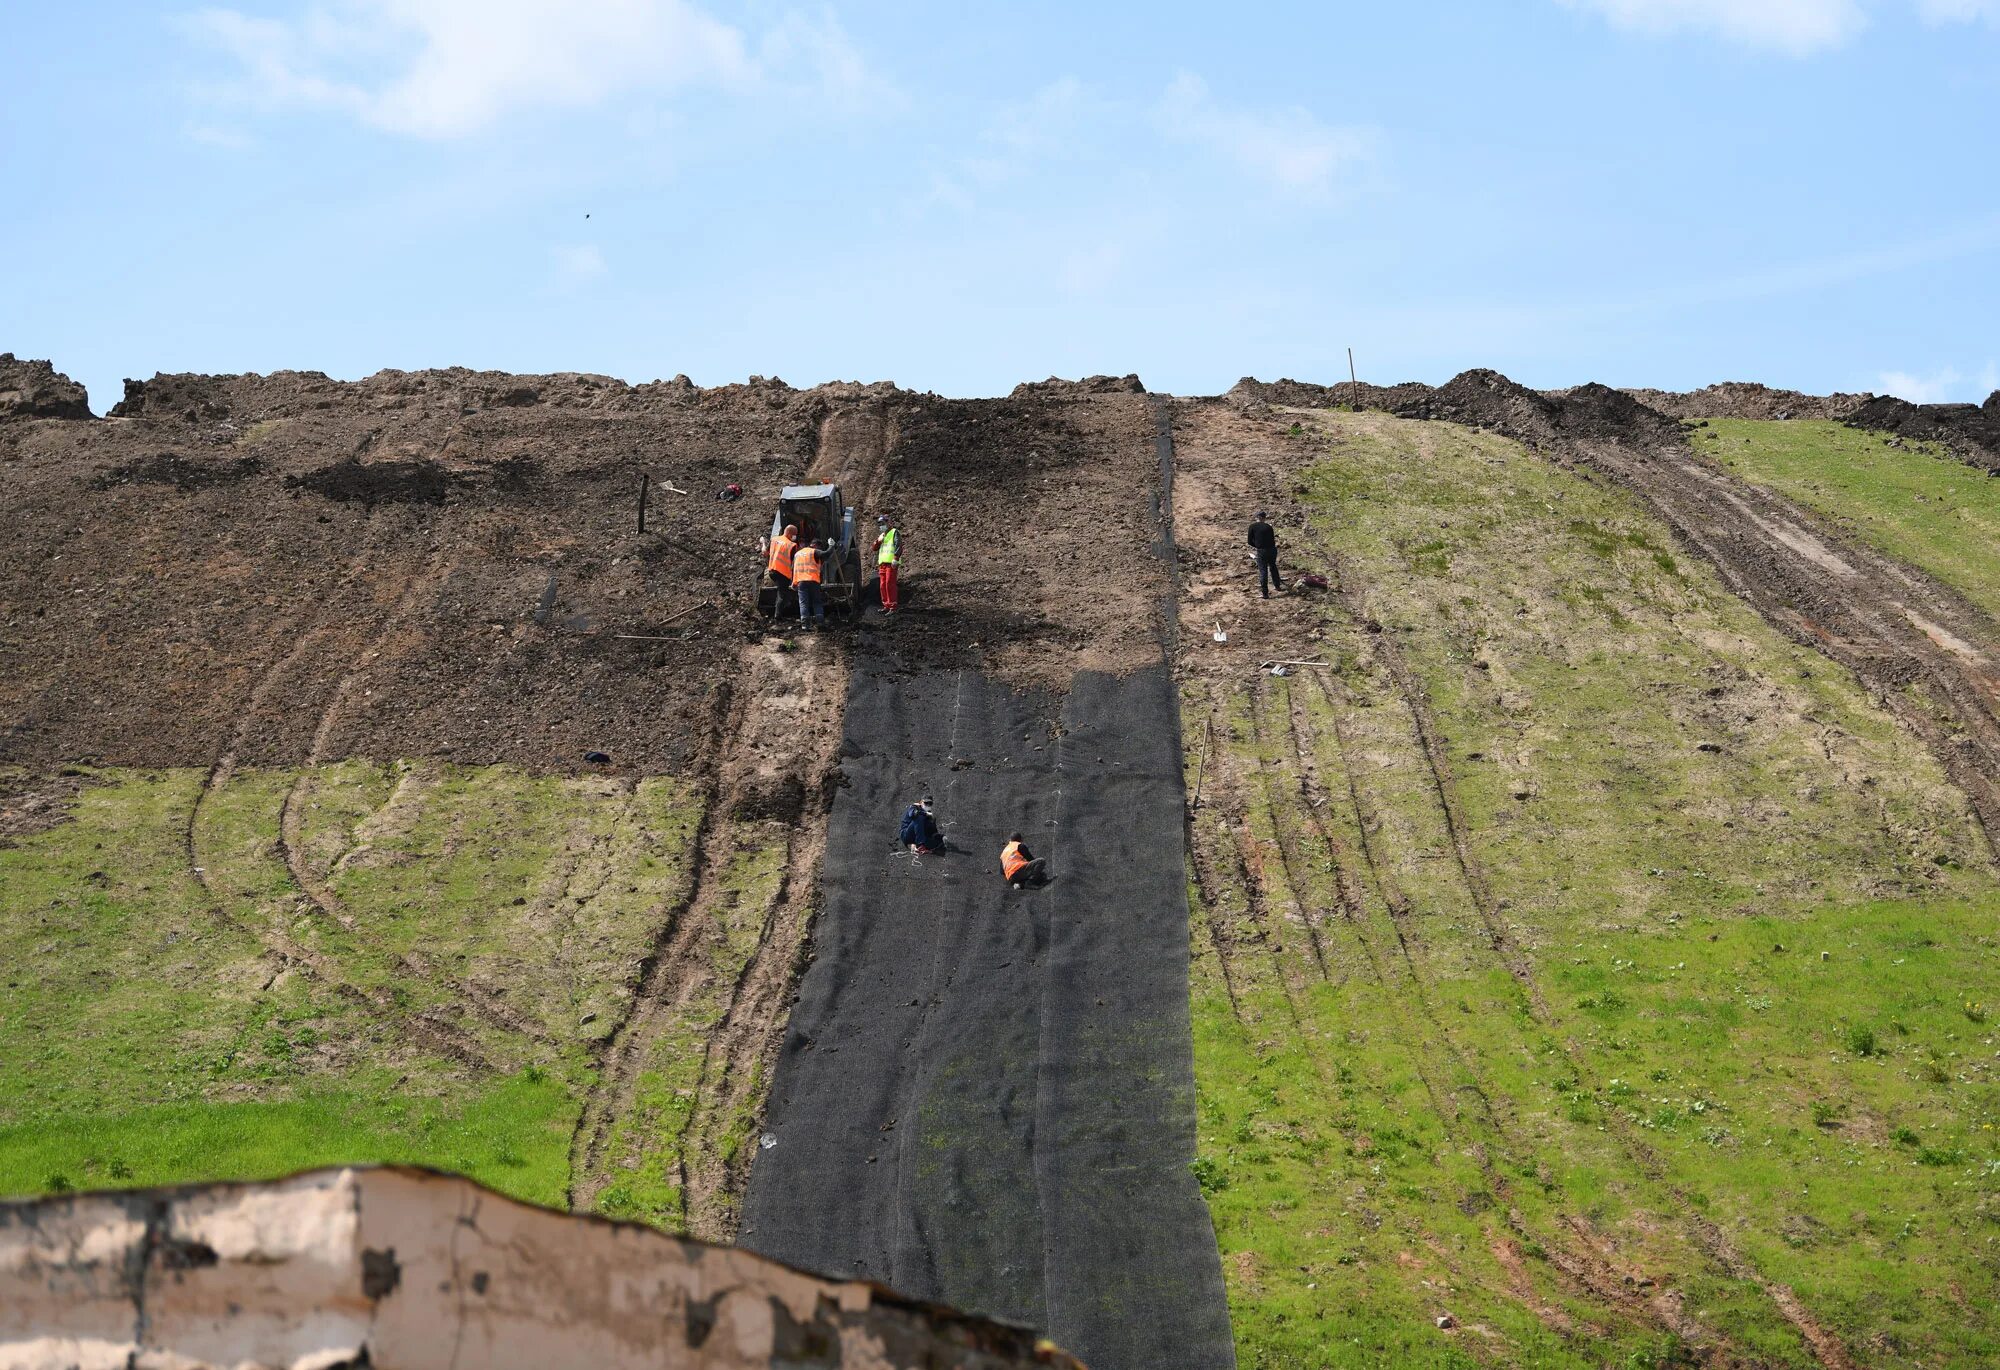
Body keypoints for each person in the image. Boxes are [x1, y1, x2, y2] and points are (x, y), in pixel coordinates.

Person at [1248, 510, 1284, 598]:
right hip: (1272, 549)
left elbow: (1249, 541)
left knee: (1263, 570)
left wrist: (1257, 546)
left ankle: (1265, 593)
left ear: (1258, 517)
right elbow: (1272, 539)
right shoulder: (1268, 527)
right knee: (1273, 566)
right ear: (1264, 518)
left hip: (1262, 551)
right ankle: (1277, 586)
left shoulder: (1252, 526)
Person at [766, 523, 799, 616]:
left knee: (781, 592)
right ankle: (778, 616)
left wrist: (763, 544)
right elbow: (794, 562)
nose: (795, 536)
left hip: (772, 571)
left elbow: (766, 553)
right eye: (794, 534)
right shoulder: (791, 545)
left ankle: (781, 609)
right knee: (781, 595)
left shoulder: (774, 539)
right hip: (783, 573)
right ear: (790, 533)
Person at [792, 538, 826, 628]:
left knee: (803, 603)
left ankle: (805, 625)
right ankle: (820, 623)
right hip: (813, 581)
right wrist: (831, 546)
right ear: (815, 545)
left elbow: (795, 569)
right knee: (817, 602)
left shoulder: (797, 554)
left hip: (801, 582)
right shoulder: (815, 552)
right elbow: (826, 554)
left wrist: (794, 582)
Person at [873, 513, 902, 614]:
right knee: (882, 585)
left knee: (890, 584)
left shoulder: (894, 532)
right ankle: (886, 605)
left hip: (891, 563)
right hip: (883, 564)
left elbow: (898, 545)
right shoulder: (882, 535)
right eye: (880, 524)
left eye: (883, 523)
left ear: (889, 523)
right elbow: (874, 548)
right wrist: (878, 541)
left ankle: (892, 606)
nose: (881, 526)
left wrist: (895, 558)